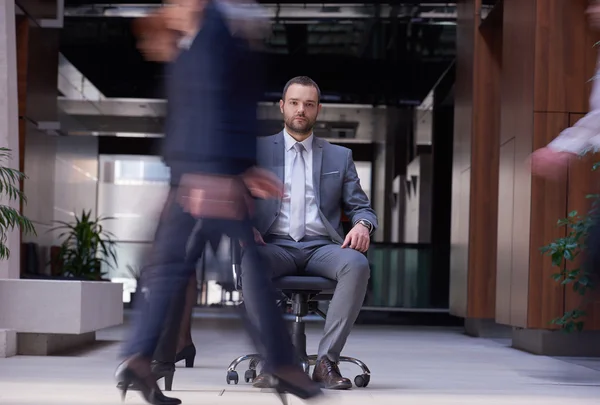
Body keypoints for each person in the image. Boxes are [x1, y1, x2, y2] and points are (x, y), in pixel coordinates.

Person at [117, 2, 322, 405]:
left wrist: (241, 169)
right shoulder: (211, 37)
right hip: (208, 178)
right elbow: (209, 107)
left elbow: (215, 109)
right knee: (249, 269)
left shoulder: (203, 38)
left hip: (200, 174)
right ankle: (281, 364)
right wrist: (217, 175)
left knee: (171, 270)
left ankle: (139, 359)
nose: (171, 9)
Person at [245, 76, 378, 390]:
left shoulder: (339, 157)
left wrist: (363, 225)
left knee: (357, 264)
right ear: (282, 106)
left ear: (318, 109)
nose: (300, 110)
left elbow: (362, 207)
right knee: (252, 261)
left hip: (322, 246)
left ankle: (326, 361)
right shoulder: (257, 151)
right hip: (273, 243)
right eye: (294, 103)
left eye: (308, 104)